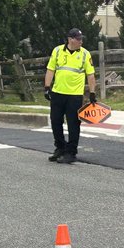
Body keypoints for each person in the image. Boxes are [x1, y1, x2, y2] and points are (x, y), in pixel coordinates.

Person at [44, 28, 98, 164]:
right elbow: (50, 70)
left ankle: (71, 152)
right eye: (78, 39)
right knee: (55, 121)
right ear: (70, 39)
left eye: (81, 39)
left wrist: (92, 93)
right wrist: (47, 87)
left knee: (73, 124)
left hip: (74, 95)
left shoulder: (85, 54)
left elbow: (90, 75)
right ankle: (60, 147)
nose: (81, 41)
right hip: (58, 93)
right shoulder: (57, 51)